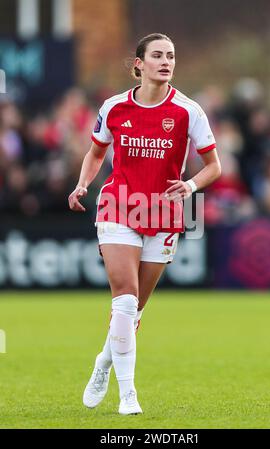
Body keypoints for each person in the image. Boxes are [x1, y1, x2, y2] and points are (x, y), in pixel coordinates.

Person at [68, 33, 221, 415]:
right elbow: (96, 151)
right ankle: (127, 394)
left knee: (133, 312)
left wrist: (189, 184)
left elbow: (215, 166)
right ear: (139, 64)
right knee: (123, 299)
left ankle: (103, 363)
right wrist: (83, 183)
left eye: (170, 55)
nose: (165, 61)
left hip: (164, 213)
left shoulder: (189, 111)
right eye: (157, 55)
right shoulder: (114, 107)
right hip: (119, 206)